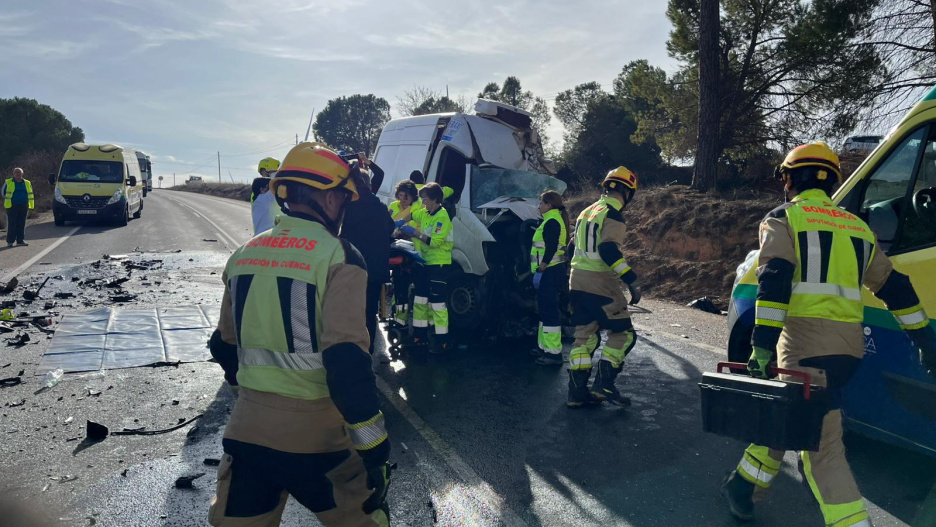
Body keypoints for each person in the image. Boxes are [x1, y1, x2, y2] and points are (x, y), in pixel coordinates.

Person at [720, 142, 936, 526]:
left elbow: (774, 282)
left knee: (821, 447)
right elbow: (894, 287)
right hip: (849, 350)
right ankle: (742, 487)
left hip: (802, 348)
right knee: (790, 418)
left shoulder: (783, 218)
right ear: (832, 179)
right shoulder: (856, 226)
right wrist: (924, 339)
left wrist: (761, 347)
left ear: (789, 179)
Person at [207, 142, 391, 527]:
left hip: (247, 436)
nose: (344, 207)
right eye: (343, 198)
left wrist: (253, 399)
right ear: (327, 198)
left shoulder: (243, 255)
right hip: (321, 444)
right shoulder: (340, 256)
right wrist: (375, 450)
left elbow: (223, 346)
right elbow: (346, 364)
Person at [567, 167, 642, 408]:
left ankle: (576, 394)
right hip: (599, 280)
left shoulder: (586, 212)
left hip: (576, 279)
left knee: (584, 337)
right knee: (624, 333)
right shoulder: (613, 214)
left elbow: (571, 248)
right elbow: (608, 250)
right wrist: (631, 279)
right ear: (627, 192)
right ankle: (604, 385)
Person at [340, 162, 395, 355]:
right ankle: (367, 351)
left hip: (354, 269)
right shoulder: (380, 207)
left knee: (351, 311)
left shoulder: (348, 207)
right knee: (370, 312)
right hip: (376, 270)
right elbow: (391, 230)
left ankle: (352, 349)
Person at [397, 183, 453, 353]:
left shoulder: (442, 217)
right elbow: (413, 214)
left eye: (426, 200)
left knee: (437, 303)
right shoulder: (426, 212)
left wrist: (415, 233)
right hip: (425, 262)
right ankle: (419, 335)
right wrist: (398, 222)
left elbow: (435, 242)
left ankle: (442, 340)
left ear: (435, 200)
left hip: (439, 264)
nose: (423, 203)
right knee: (420, 299)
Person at [530, 190, 569, 366]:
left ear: (549, 205)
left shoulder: (552, 221)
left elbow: (551, 246)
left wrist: (542, 267)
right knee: (544, 310)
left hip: (549, 272)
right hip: (551, 272)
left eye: (541, 203)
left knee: (550, 312)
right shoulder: (551, 220)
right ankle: (544, 347)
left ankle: (553, 354)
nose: (539, 206)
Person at [387, 180, 420, 326]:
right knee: (398, 284)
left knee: (408, 285)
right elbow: (386, 223)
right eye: (400, 196)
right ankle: (398, 316)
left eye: (406, 197)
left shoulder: (419, 207)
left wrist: (409, 231)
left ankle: (402, 317)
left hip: (414, 250)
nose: (402, 200)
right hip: (396, 248)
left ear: (413, 196)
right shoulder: (393, 207)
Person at [3, 168, 34, 247]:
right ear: (13, 174)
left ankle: (20, 240)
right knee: (12, 224)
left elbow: (30, 193)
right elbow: (3, 192)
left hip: (23, 205)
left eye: (19, 173)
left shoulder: (27, 182)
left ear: (22, 174)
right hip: (12, 206)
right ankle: (10, 241)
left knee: (21, 223)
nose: (17, 174)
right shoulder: (8, 182)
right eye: (16, 173)